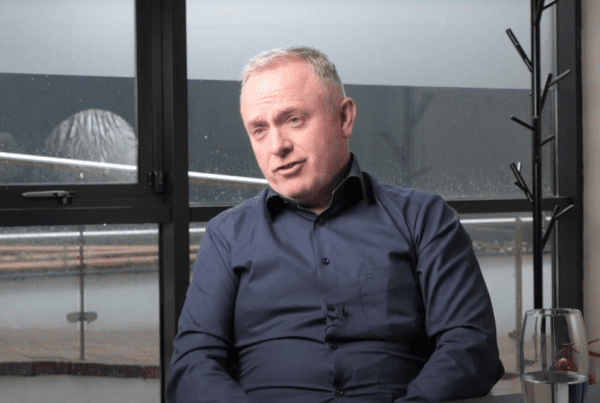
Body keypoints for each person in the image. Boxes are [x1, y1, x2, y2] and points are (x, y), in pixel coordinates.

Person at [167, 46, 505, 402]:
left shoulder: (424, 218)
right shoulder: (226, 236)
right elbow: (193, 365)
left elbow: (470, 347)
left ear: (344, 118)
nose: (277, 146)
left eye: (293, 120)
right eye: (259, 130)